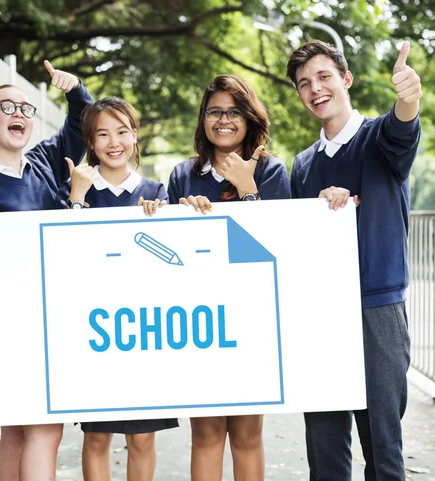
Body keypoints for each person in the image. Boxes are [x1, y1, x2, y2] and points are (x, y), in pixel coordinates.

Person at [0, 61, 93, 481]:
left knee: (17, 433)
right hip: (6, 324)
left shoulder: (44, 164)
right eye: (7, 106)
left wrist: (75, 89)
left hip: (47, 317)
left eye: (26, 109)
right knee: (41, 432)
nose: (19, 114)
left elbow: (79, 126)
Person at [286, 39, 422, 480]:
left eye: (324, 76)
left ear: (345, 79)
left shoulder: (379, 138)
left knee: (382, 447)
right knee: (324, 448)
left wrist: (409, 97)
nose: (315, 88)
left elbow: (404, 126)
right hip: (320, 315)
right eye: (305, 83)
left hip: (376, 309)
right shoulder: (302, 165)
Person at [167, 74, 290, 481]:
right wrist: (184, 214)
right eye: (214, 111)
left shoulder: (271, 170)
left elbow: (275, 248)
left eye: (233, 112)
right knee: (204, 433)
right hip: (199, 318)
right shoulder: (183, 175)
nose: (223, 120)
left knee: (247, 434)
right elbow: (170, 254)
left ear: (249, 118)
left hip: (250, 319)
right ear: (203, 119)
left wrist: (247, 188)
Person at [65, 97, 178, 481]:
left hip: (146, 331)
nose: (114, 142)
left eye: (122, 132)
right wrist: (76, 200)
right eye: (102, 134)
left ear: (134, 136)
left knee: (143, 438)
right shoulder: (77, 190)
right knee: (97, 437)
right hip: (96, 330)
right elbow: (65, 255)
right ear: (91, 143)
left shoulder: (156, 192)